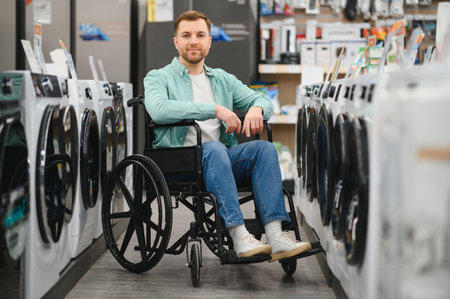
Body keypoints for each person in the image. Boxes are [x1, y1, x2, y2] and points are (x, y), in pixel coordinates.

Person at [144, 10, 311, 262]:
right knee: (214, 149)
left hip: (220, 158)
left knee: (264, 149)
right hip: (181, 161)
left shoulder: (222, 79)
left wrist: (256, 108)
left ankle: (276, 235)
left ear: (210, 41)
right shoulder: (159, 77)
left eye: (200, 35)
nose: (193, 41)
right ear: (176, 41)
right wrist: (215, 109)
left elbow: (263, 99)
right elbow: (158, 109)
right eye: (186, 35)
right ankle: (239, 234)